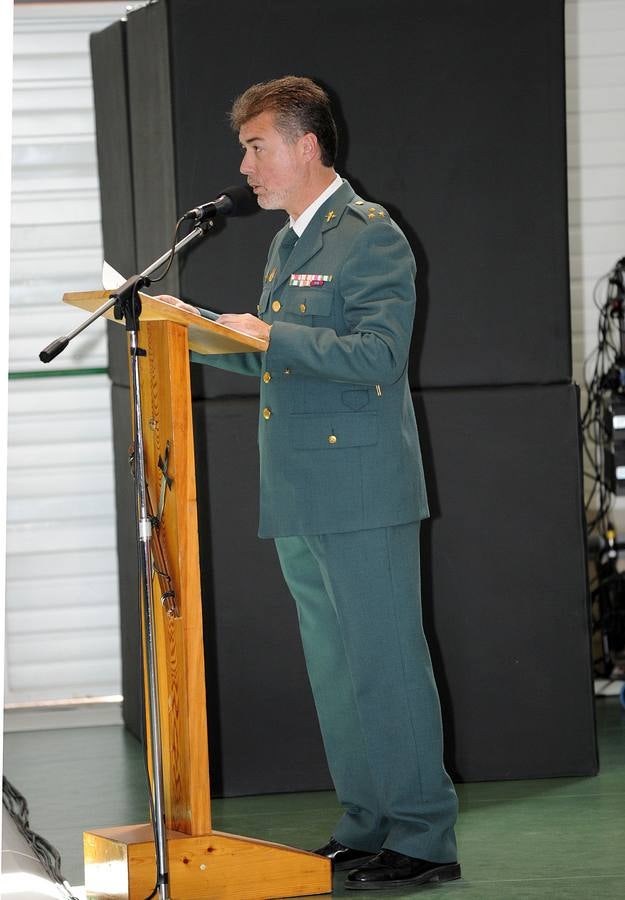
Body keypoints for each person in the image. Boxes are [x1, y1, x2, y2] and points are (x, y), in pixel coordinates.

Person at [158, 75, 459, 891]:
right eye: (245, 149)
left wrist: (270, 333)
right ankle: (367, 823)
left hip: (360, 491)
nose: (246, 165)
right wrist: (181, 330)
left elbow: (376, 356)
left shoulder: (369, 236)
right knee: (336, 666)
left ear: (306, 147)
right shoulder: (290, 241)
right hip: (300, 487)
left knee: (384, 664)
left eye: (256, 147)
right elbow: (272, 350)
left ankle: (423, 839)